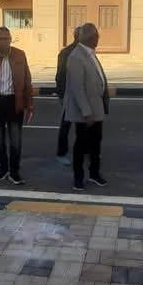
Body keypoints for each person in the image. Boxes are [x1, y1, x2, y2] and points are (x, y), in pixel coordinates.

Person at [0, 26, 35, 185]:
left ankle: (14, 172)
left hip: (15, 101)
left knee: (16, 140)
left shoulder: (20, 55)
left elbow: (27, 81)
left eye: (6, 38)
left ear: (10, 39)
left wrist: (30, 104)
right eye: (0, 39)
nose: (4, 41)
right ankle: (3, 168)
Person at [63, 23, 110, 191]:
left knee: (96, 144)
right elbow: (77, 88)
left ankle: (94, 174)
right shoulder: (76, 57)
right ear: (91, 38)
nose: (98, 38)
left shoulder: (90, 54)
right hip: (86, 112)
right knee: (81, 146)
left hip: (96, 109)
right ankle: (78, 177)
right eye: (97, 35)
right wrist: (87, 112)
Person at [54, 25, 83, 166]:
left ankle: (84, 149)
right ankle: (61, 153)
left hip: (83, 95)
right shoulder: (66, 53)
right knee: (66, 125)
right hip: (69, 95)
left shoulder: (86, 52)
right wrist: (62, 95)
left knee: (83, 124)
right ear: (77, 36)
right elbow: (60, 76)